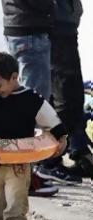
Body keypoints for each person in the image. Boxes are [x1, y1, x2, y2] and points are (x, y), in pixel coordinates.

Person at [0, 51, 67, 220]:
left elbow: (51, 120)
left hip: (19, 166)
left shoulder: (30, 99)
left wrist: (61, 138)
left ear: (14, 77)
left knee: (15, 206)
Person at [1, 0, 80, 195]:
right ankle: (23, 177)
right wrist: (51, 8)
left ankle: (26, 172)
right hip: (29, 30)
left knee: (30, 105)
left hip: (26, 27)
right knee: (32, 108)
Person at [35, 0, 93, 180]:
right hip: (56, 26)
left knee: (72, 95)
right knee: (65, 96)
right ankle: (49, 161)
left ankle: (78, 148)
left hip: (66, 26)